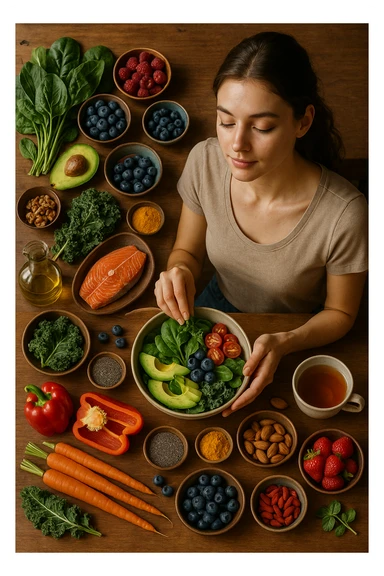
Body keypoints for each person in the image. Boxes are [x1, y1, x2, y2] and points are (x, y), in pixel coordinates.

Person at [154, 31, 368, 417]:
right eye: (225, 121)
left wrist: (286, 341)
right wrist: (180, 271)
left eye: (262, 127)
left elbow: (342, 313)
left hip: (298, 332)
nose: (237, 145)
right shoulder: (205, 161)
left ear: (303, 121)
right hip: (215, 306)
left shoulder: (345, 214)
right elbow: (187, 251)